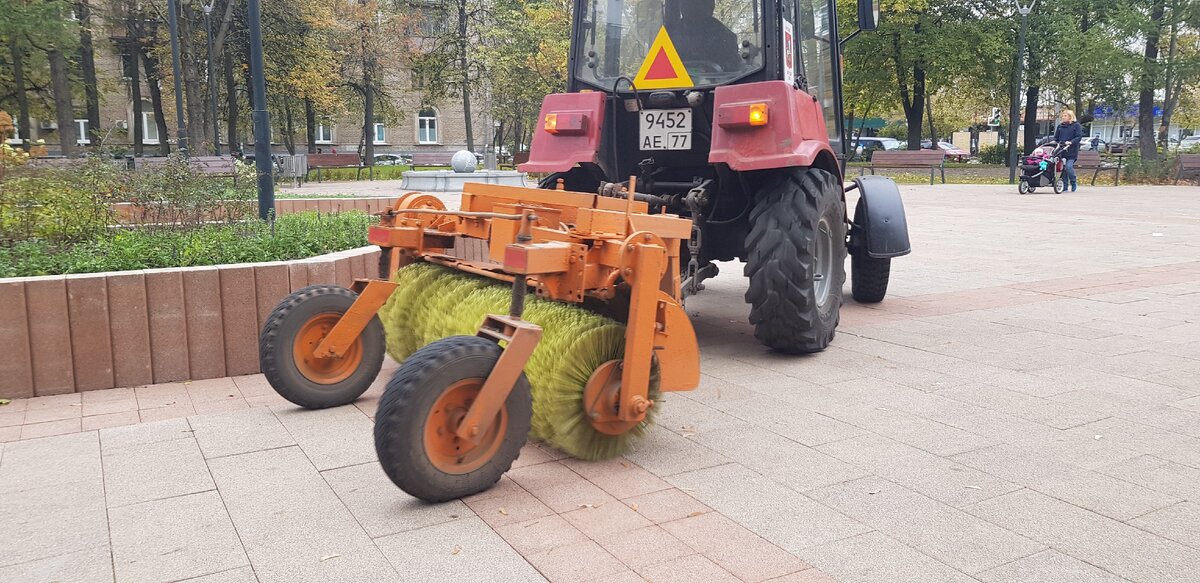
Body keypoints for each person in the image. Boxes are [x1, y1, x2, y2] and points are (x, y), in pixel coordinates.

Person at [663, 0, 741, 73]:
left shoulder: (724, 35)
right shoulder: (667, 35)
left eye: (698, 3)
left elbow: (733, 70)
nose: (693, 7)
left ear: (710, 5)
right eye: (688, 2)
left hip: (715, 84)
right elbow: (660, 66)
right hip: (674, 86)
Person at [1054, 110, 1083, 191]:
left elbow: (1079, 137)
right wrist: (1054, 142)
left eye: (1065, 116)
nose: (1063, 117)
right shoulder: (1060, 126)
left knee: (1068, 167)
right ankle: (1065, 186)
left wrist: (1071, 142)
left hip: (1072, 151)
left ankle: (1073, 182)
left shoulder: (1076, 125)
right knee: (1063, 168)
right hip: (1061, 150)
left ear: (1070, 117)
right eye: (1063, 116)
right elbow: (1056, 138)